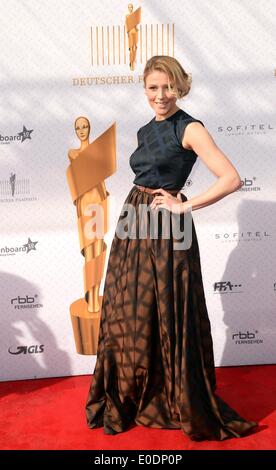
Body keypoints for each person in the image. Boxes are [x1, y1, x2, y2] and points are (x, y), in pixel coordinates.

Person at [85, 55, 258, 441]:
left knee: (168, 308)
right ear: (144, 89)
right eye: (153, 88)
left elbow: (231, 178)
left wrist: (183, 205)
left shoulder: (190, 127)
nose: (160, 95)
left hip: (167, 225)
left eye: (168, 87)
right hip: (134, 219)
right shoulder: (146, 130)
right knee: (127, 309)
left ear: (179, 86)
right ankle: (132, 394)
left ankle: (172, 395)